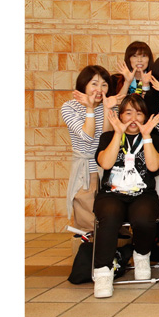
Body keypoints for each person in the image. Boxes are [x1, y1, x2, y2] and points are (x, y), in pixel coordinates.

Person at [91, 95, 159, 298]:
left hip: (143, 193)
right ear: (120, 116)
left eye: (139, 113)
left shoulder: (153, 138)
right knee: (110, 216)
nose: (133, 118)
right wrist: (118, 133)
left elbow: (153, 167)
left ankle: (141, 255)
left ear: (145, 117)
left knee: (144, 217)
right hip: (111, 193)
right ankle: (103, 272)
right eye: (128, 113)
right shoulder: (108, 137)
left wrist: (146, 136)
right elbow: (106, 163)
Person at [61, 65, 120, 234]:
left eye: (104, 85)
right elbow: (87, 136)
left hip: (108, 168)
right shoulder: (70, 107)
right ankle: (88, 249)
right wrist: (89, 108)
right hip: (86, 170)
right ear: (84, 84)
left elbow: (105, 138)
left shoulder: (110, 105)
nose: (99, 89)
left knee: (110, 219)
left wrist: (107, 108)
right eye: (94, 84)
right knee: (88, 222)